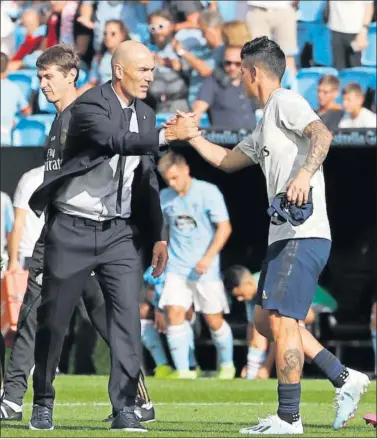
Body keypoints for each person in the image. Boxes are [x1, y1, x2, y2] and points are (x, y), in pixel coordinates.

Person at [169, 37, 371, 434]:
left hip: (303, 233)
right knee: (266, 320)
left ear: (254, 72)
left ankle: (289, 417)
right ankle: (345, 378)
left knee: (280, 319)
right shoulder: (265, 121)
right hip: (282, 238)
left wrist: (303, 173)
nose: (237, 77)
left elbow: (322, 136)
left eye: (240, 70)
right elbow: (227, 161)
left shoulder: (286, 101)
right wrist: (192, 137)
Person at [27, 40, 199, 432]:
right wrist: (168, 134)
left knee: (127, 324)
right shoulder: (88, 106)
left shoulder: (147, 112)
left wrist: (157, 234)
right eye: (143, 70)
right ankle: (43, 400)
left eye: (153, 70)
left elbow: (147, 177)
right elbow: (116, 141)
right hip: (71, 228)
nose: (150, 77)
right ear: (119, 71)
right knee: (54, 322)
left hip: (119, 234)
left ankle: (124, 408)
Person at [0, 44, 155, 426]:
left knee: (42, 316)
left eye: (49, 76)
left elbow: (127, 156)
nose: (42, 85)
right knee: (80, 317)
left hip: (80, 230)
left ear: (72, 75)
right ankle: (137, 399)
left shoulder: (81, 114)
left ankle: (15, 398)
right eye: (38, 77)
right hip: (70, 229)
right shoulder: (59, 119)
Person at [157, 151, 235, 379]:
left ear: (186, 170)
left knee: (214, 319)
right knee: (174, 312)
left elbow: (224, 228)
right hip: (177, 268)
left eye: (174, 178)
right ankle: (185, 371)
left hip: (205, 269)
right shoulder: (165, 197)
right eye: (167, 180)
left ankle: (228, 366)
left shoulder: (208, 192)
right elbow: (166, 230)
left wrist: (208, 257)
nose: (171, 183)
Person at [193, 45, 257, 130]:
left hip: (252, 140)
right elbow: (197, 113)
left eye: (237, 64)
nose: (232, 67)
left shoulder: (250, 83)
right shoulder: (212, 83)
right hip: (224, 141)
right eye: (228, 63)